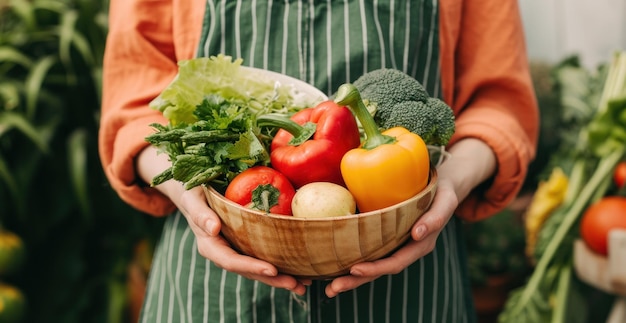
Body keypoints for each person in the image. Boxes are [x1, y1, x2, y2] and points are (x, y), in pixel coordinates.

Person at [99, 0, 538, 322]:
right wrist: (186, 188)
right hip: (216, 281)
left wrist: (452, 183)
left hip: (408, 283)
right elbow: (135, 108)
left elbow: (499, 106)